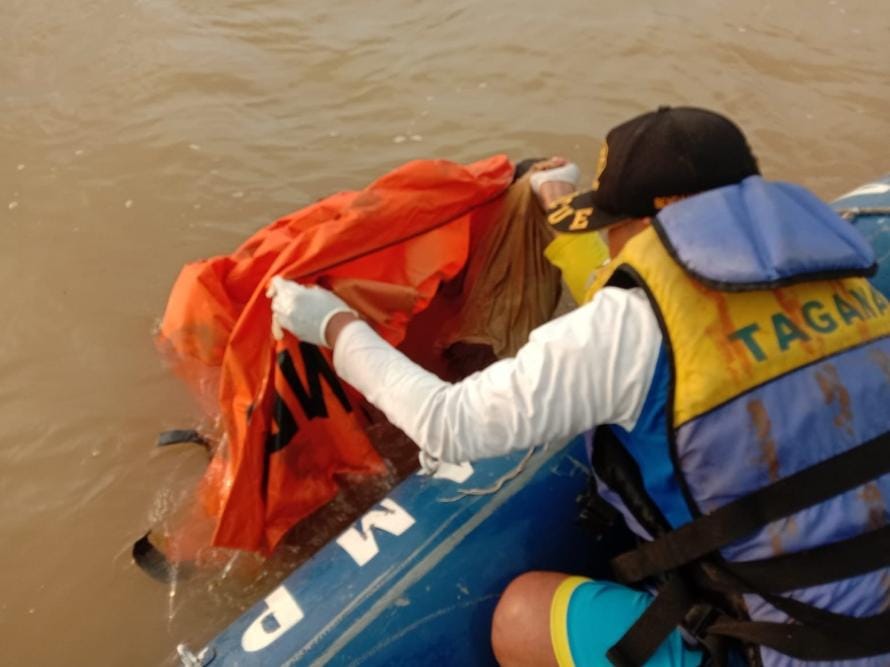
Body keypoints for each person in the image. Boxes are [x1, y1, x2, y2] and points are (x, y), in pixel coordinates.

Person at [267, 106, 890, 666]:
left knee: (521, 616)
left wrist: (333, 324)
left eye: (612, 222)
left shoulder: (625, 331)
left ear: (654, 224)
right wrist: (555, 198)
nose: (609, 239)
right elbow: (675, 311)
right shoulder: (851, 283)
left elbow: (446, 422)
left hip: (795, 651)